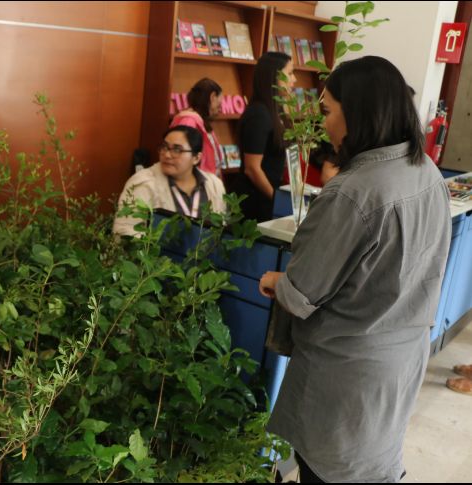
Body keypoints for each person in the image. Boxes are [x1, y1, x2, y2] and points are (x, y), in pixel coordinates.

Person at [257, 56, 451, 482]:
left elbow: (302, 293)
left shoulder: (353, 193)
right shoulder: (427, 173)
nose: (323, 124)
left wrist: (274, 281)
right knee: (373, 467)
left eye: (327, 111)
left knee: (329, 469)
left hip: (346, 374)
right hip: (401, 362)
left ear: (358, 111)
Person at [113, 126, 226, 237]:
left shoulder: (214, 185)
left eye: (177, 150)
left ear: (196, 158)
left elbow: (221, 232)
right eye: (164, 147)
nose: (166, 155)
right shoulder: (143, 183)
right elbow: (125, 233)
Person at [236, 52, 296, 222]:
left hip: (269, 195)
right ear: (273, 76)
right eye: (290, 73)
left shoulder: (277, 111)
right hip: (255, 200)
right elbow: (252, 168)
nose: (294, 79)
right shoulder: (259, 114)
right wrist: (276, 201)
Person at [170, 78, 225, 177]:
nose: (220, 109)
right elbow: (181, 160)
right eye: (219, 105)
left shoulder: (201, 122)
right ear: (212, 97)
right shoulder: (188, 122)